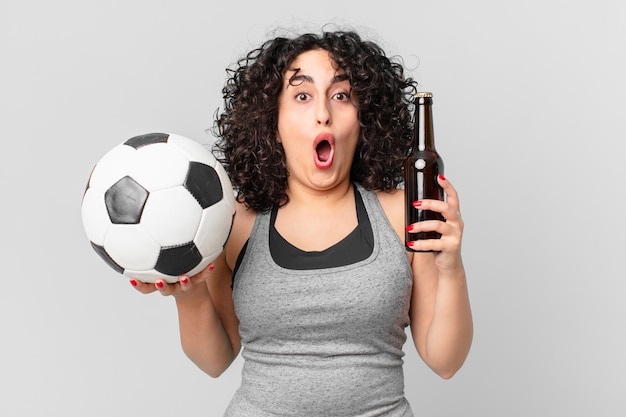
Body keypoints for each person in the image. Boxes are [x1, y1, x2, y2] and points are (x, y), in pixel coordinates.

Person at [131, 28, 473, 416]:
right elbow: (215, 361)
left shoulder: (402, 213)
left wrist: (451, 267)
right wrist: (188, 295)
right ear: (272, 121)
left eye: (341, 95)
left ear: (364, 120)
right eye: (302, 95)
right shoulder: (236, 221)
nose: (323, 112)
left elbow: (446, 362)